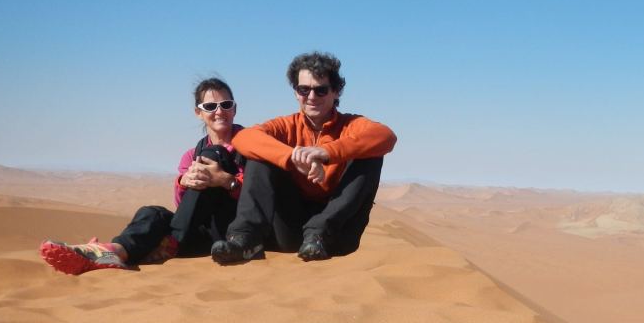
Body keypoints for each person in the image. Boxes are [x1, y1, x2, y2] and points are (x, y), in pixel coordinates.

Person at [39, 78, 245, 274]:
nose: (219, 111)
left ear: (234, 109)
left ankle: (166, 243)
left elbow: (257, 200)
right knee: (152, 213)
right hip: (196, 235)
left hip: (231, 236)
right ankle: (114, 251)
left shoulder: (250, 147)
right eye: (210, 106)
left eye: (226, 105)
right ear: (198, 113)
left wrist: (226, 181)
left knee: (213, 154)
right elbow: (184, 207)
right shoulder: (191, 155)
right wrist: (183, 182)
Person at [210, 52, 396, 265]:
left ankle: (319, 232)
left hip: (335, 234)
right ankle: (244, 239)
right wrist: (292, 158)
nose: (311, 97)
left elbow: (386, 136)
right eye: (304, 89)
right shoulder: (286, 126)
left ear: (336, 91)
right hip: (291, 229)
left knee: (371, 153)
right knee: (260, 154)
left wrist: (326, 153)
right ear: (296, 93)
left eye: (321, 90)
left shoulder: (351, 125)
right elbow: (244, 138)